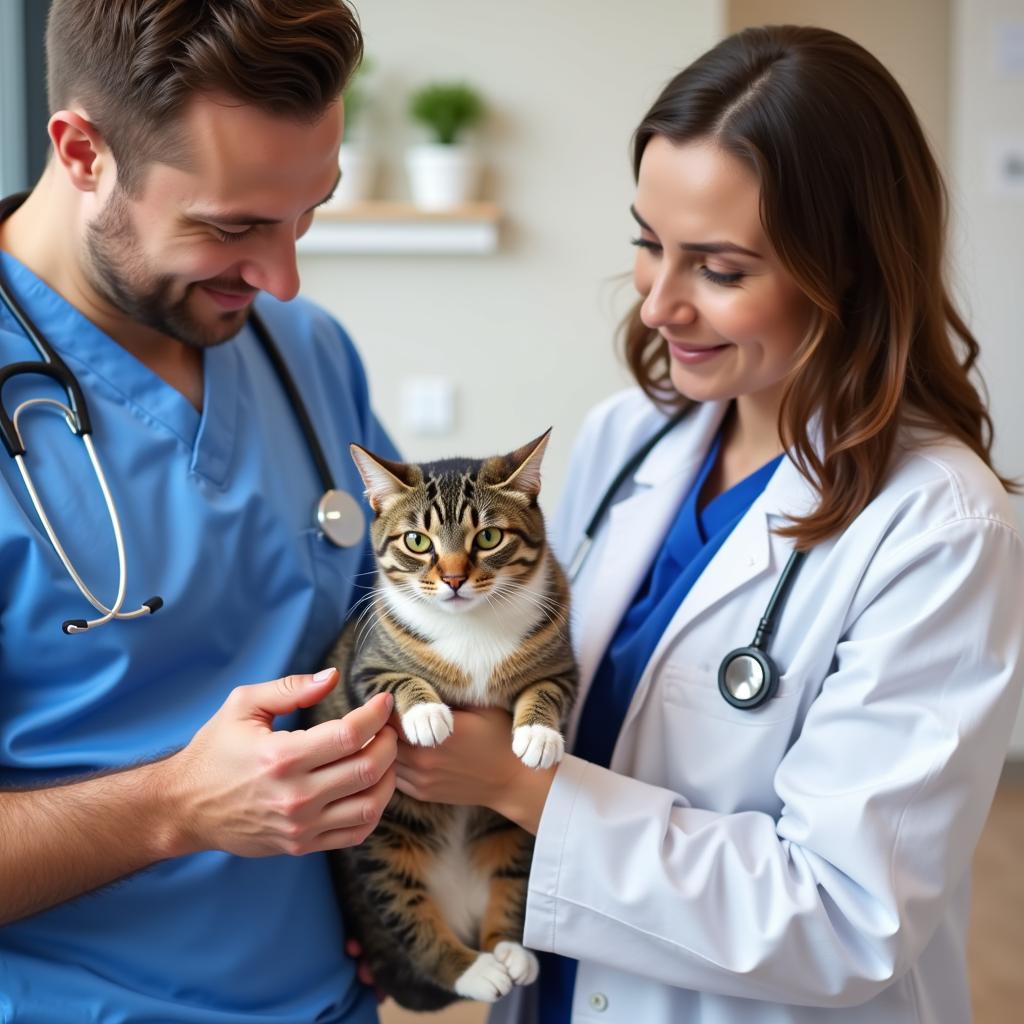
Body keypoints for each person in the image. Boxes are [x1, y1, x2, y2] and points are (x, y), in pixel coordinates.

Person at [390, 25, 1024, 1023]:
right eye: (649, 243)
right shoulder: (627, 439)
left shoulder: (939, 528)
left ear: (848, 271)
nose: (657, 307)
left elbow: (844, 915)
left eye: (719, 269)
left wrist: (523, 788)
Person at [0, 2, 399, 1021]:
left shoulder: (304, 351)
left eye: (307, 213)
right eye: (232, 227)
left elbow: (394, 627)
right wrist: (174, 807)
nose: (281, 277)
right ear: (83, 151)